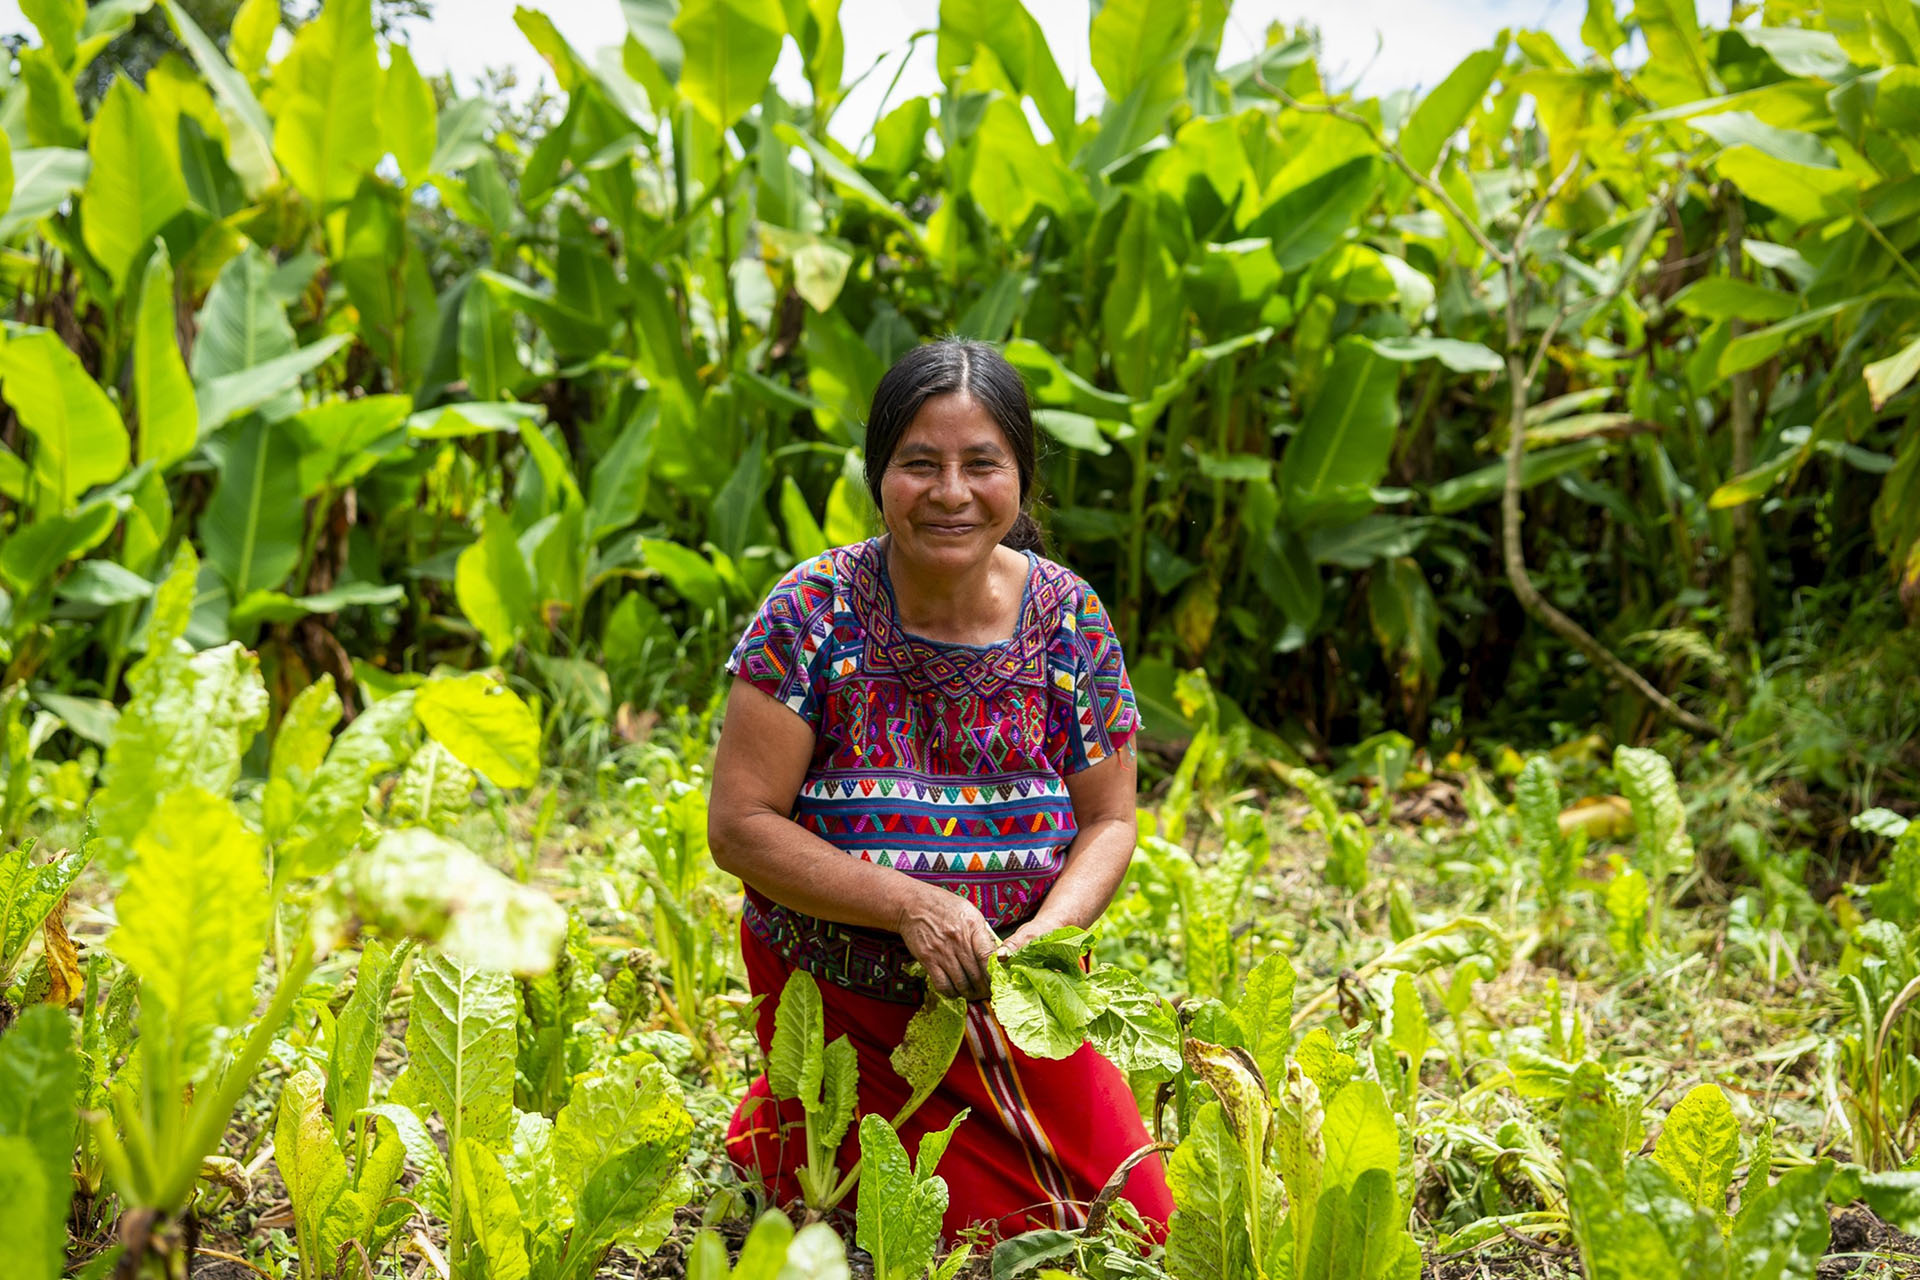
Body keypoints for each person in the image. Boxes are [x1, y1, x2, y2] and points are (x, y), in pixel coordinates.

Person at [708, 337, 1173, 1239]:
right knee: (958, 1227)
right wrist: (911, 906)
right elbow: (740, 827)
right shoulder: (811, 613)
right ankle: (785, 1123)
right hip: (846, 995)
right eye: (921, 464)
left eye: (981, 464)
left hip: (1017, 1001)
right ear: (881, 475)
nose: (951, 492)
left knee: (1135, 1224)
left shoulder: (1069, 616)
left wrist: (1046, 938)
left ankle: (785, 1132)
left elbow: (1111, 820)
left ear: (1021, 479)